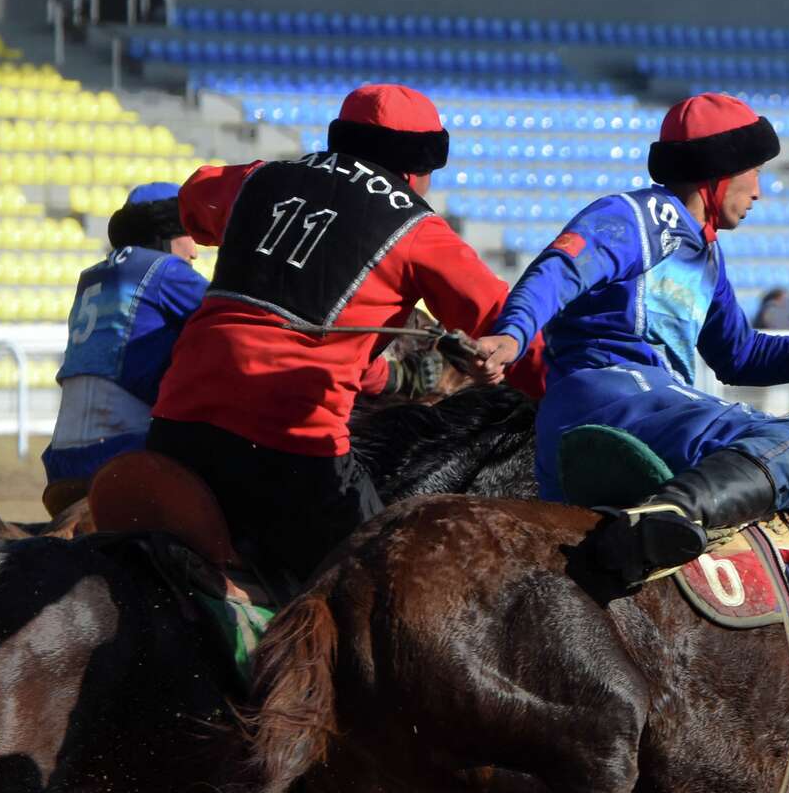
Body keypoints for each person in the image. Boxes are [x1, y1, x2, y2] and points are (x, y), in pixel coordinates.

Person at [147, 84, 531, 581]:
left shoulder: (261, 178)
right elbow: (506, 318)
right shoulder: (419, 230)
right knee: (376, 594)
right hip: (289, 446)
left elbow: (195, 197)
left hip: (175, 422)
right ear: (418, 169)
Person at [473, 93, 789, 586]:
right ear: (721, 170)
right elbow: (559, 267)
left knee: (750, 485)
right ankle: (667, 514)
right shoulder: (640, 217)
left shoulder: (706, 255)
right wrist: (514, 333)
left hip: (615, 417)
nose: (759, 192)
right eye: (754, 172)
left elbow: (742, 356)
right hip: (615, 401)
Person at [41, 182, 207, 516]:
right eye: (191, 235)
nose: (195, 251)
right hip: (126, 450)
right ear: (167, 232)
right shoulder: (167, 271)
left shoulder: (90, 276)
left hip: (60, 461)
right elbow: (236, 318)